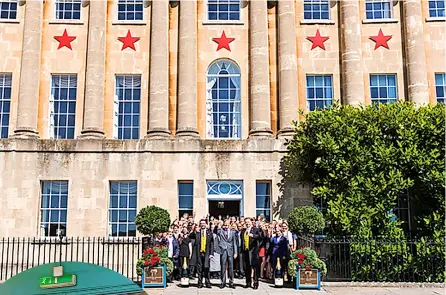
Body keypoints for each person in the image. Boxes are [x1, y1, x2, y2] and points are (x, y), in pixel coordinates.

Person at [189, 219, 214, 289]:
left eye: (204, 223)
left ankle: (207, 282)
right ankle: (200, 283)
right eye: (201, 223)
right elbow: (190, 236)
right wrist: (194, 230)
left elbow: (212, 244)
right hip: (199, 253)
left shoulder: (209, 233)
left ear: (206, 224)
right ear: (200, 224)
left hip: (207, 253)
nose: (202, 224)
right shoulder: (197, 232)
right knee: (199, 269)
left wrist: (211, 253)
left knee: (206, 268)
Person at [214, 220, 238, 289]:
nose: (226, 227)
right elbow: (216, 231)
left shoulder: (233, 232)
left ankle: (231, 282)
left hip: (230, 250)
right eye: (225, 225)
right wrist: (218, 224)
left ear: (229, 225)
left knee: (231, 267)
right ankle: (223, 282)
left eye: (227, 225)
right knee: (223, 266)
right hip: (223, 250)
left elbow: (234, 243)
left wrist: (235, 252)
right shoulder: (220, 231)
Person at [241, 217, 261, 289]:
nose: (247, 223)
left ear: (251, 222)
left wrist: (253, 236)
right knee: (247, 268)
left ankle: (255, 283)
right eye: (246, 222)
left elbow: (260, 237)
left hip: (253, 252)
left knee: (255, 268)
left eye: (248, 222)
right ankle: (248, 282)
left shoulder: (255, 229)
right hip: (245, 251)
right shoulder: (243, 230)